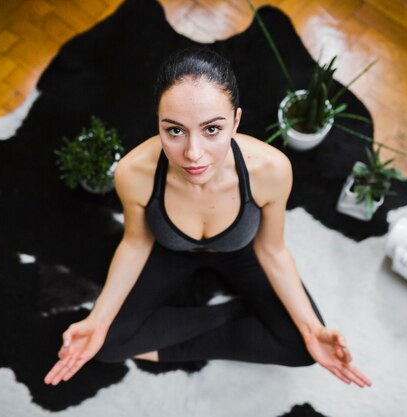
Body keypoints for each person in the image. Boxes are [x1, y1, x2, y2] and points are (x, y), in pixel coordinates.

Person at [44, 48, 372, 388]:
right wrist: (97, 320)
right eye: (174, 131)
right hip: (170, 252)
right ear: (158, 122)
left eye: (212, 130)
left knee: (304, 348)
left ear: (236, 121)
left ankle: (239, 324)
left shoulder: (271, 169)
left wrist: (311, 329)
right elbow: (135, 242)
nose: (193, 153)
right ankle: (237, 314)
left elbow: (272, 250)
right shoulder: (133, 172)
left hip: (241, 253)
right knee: (106, 344)